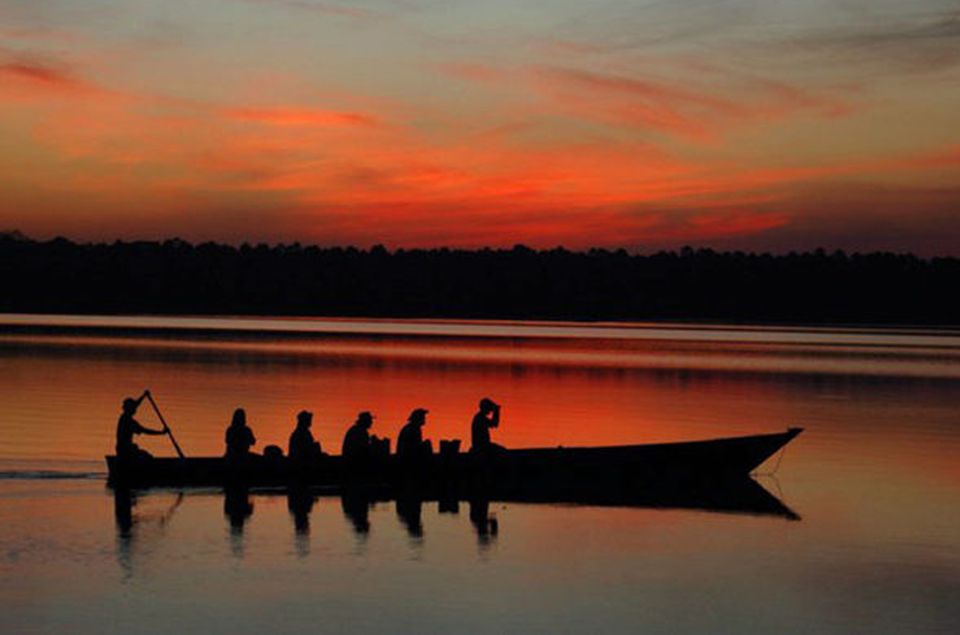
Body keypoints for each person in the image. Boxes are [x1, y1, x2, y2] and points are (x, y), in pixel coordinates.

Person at [116, 391, 166, 459]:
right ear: (130, 409)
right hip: (126, 451)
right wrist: (161, 432)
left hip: (122, 449)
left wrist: (143, 396)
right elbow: (145, 430)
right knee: (147, 457)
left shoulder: (123, 418)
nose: (136, 410)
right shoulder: (129, 422)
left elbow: (136, 404)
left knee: (144, 455)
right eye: (134, 408)